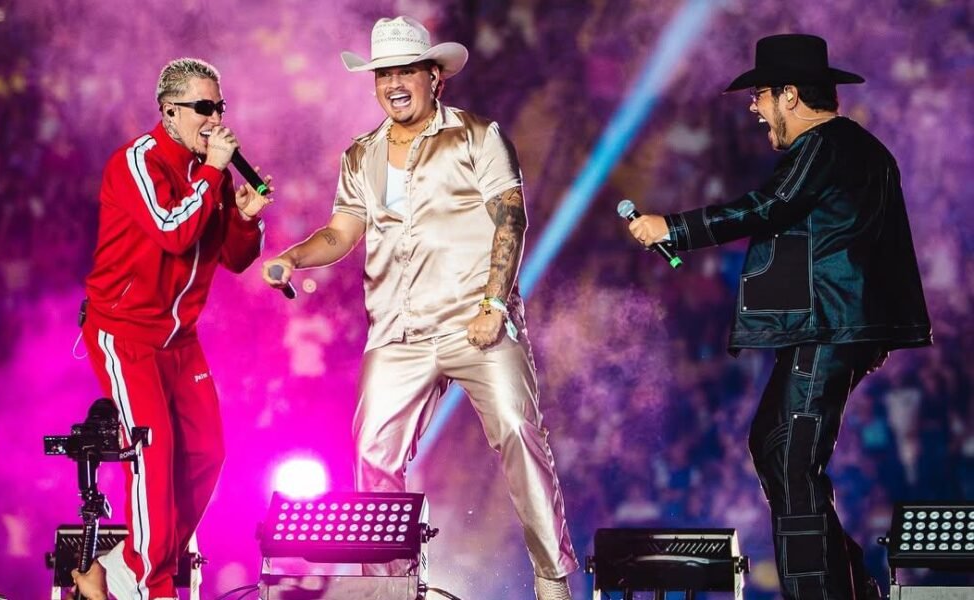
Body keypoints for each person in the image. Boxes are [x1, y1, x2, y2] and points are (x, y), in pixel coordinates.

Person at [262, 16, 578, 600]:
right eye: (383, 74)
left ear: (435, 76)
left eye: (405, 71)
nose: (393, 84)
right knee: (371, 452)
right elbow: (341, 232)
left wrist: (493, 303)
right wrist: (293, 257)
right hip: (398, 331)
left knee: (518, 430)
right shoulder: (361, 154)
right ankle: (391, 588)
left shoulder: (478, 135)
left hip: (477, 321)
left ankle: (552, 578)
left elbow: (511, 220)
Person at [628, 34, 932, 599]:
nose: (754, 107)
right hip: (833, 326)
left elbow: (770, 206)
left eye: (761, 95)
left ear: (790, 95)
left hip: (826, 326)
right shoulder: (860, 150)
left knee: (791, 460)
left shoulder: (824, 144)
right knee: (773, 443)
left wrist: (675, 228)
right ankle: (851, 584)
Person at [71, 57, 272, 600]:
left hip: (180, 339)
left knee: (207, 453)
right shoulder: (137, 161)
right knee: (152, 458)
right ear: (169, 111)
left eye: (220, 106)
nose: (216, 119)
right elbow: (172, 231)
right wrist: (213, 173)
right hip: (126, 334)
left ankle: (123, 568)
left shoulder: (211, 172)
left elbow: (233, 258)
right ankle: (150, 586)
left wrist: (246, 217)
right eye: (204, 107)